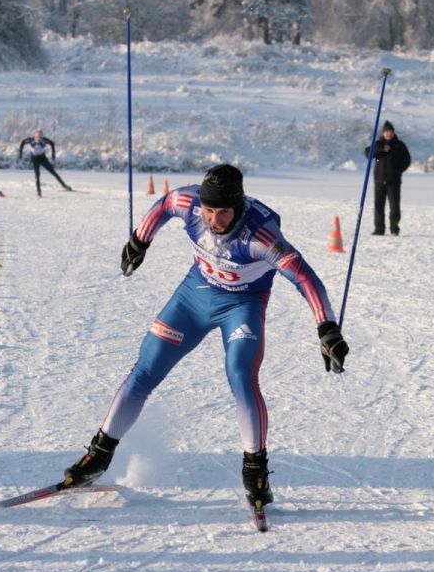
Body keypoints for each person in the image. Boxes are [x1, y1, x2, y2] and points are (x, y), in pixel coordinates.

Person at [62, 164, 350, 512]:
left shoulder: (260, 236)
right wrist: (139, 241)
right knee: (145, 369)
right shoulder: (190, 202)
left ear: (239, 206)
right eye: (209, 210)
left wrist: (327, 329)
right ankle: (98, 455)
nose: (215, 220)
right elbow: (164, 204)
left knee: (241, 375)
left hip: (241, 306)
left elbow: (304, 278)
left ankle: (255, 471)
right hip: (194, 296)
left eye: (224, 212)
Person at [365, 120, 411, 236]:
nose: (388, 134)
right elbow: (367, 153)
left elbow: (407, 160)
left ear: (393, 133)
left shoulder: (399, 145)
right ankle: (379, 229)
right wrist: (381, 150)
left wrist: (398, 171)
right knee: (378, 206)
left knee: (394, 206)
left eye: (390, 132)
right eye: (386, 132)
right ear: (383, 133)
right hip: (379, 180)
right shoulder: (378, 144)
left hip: (393, 181)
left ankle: (394, 228)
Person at [18, 129, 72, 196]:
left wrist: (53, 154)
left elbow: (52, 143)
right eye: (38, 138)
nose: (39, 139)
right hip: (34, 159)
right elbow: (23, 142)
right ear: (35, 137)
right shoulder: (31, 140)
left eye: (40, 138)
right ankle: (38, 191)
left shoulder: (44, 140)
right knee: (37, 175)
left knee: (53, 172)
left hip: (42, 158)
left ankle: (64, 185)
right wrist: (20, 153)